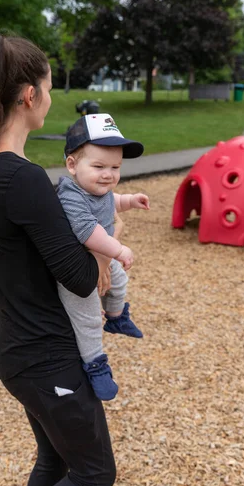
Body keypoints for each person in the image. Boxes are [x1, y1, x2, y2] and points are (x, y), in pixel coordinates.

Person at [0, 30, 118, 486]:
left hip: (18, 346)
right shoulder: (21, 177)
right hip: (45, 353)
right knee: (94, 473)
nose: (49, 98)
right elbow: (78, 275)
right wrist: (105, 256)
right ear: (29, 95)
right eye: (47, 88)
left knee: (55, 462)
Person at [57, 114, 150, 401]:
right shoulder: (70, 194)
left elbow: (112, 202)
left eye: (115, 167)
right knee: (86, 318)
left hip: (100, 258)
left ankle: (116, 316)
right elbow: (87, 230)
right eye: (99, 166)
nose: (108, 175)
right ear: (72, 165)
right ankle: (95, 364)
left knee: (120, 283)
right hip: (75, 270)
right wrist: (117, 250)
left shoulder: (97, 188)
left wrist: (130, 200)